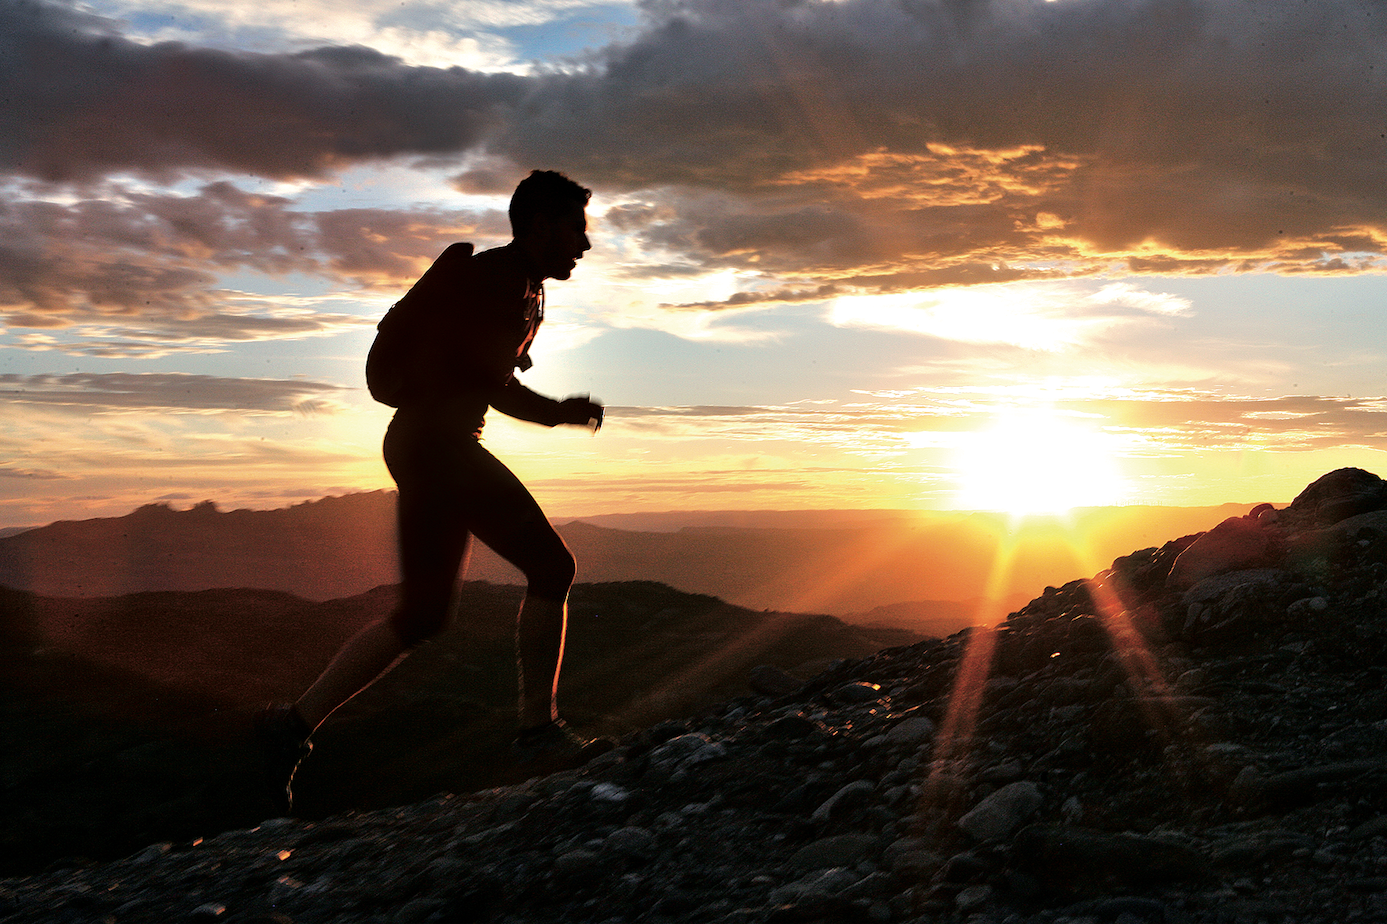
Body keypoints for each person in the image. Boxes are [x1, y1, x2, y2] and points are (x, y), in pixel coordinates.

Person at [256, 170, 608, 813]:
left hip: (422, 444)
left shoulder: (520, 284)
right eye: (576, 230)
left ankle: (289, 728)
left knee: (423, 616)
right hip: (438, 448)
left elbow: (481, 376)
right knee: (553, 566)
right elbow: (494, 384)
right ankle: (537, 734)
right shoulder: (503, 281)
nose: (583, 246)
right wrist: (560, 411)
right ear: (540, 226)